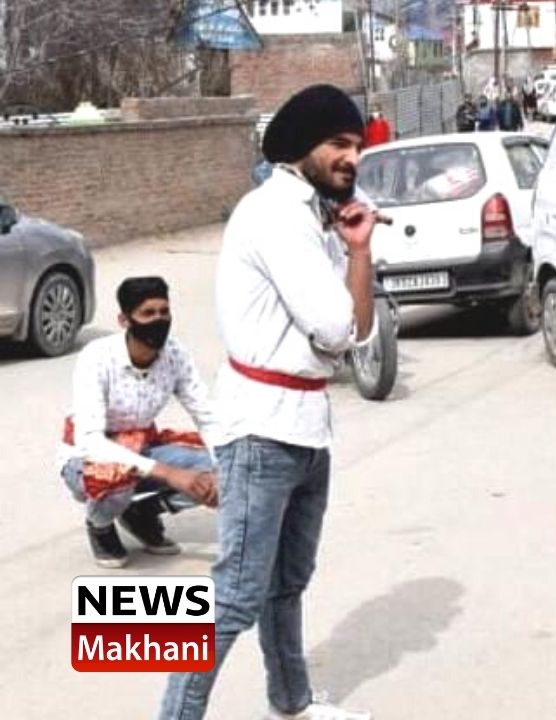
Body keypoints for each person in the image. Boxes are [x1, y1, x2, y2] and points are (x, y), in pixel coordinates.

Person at [158, 84, 376, 720]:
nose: (351, 158)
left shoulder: (317, 217)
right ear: (300, 147)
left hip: (308, 425)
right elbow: (338, 330)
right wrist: (352, 265)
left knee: (286, 586)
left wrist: (358, 249)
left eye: (357, 146)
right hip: (262, 428)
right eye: (338, 144)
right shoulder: (275, 214)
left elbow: (356, 334)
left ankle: (293, 701)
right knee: (234, 596)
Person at [57, 276, 219, 568]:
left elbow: (207, 415)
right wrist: (170, 474)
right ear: (124, 319)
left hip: (144, 447)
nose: (158, 320)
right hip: (88, 456)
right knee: (117, 477)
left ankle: (141, 512)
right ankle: (100, 524)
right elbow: (91, 441)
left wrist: (222, 471)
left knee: (226, 468)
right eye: (147, 313)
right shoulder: (97, 357)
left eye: (164, 312)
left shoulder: (175, 354)